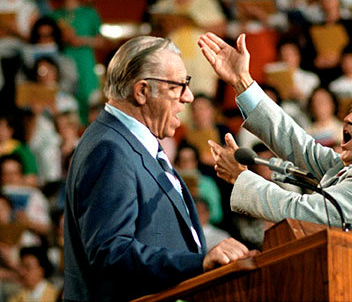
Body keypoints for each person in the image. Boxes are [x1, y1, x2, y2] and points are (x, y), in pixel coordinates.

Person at [63, 36, 254, 302]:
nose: (187, 97)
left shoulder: (132, 140)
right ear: (141, 91)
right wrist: (197, 263)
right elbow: (111, 251)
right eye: (179, 86)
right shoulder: (109, 149)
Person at [198, 32, 352, 243]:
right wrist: (241, 81)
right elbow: (299, 145)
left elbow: (303, 211)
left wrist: (242, 178)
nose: (348, 118)